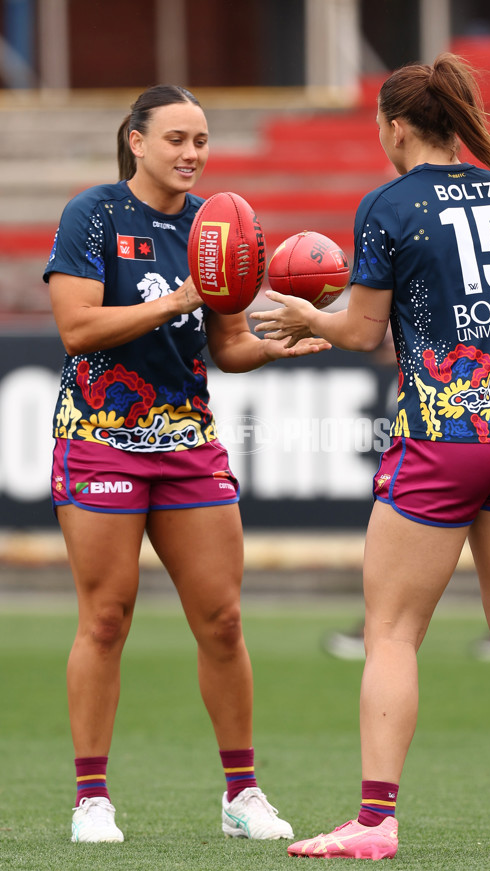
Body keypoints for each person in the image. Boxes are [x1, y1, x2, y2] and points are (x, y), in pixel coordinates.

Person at [252, 53, 490, 859]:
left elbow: (360, 333)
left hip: (443, 437)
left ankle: (375, 821)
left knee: (391, 631)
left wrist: (303, 316)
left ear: (395, 126)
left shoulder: (390, 204)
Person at [43, 84, 330, 845]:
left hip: (187, 442)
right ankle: (91, 799)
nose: (191, 154)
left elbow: (226, 345)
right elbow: (76, 328)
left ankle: (242, 793)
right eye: (175, 138)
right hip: (101, 436)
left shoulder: (217, 224)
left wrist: (273, 347)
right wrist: (174, 301)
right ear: (135, 141)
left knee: (225, 620)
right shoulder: (93, 214)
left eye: (200, 141)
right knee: (106, 619)